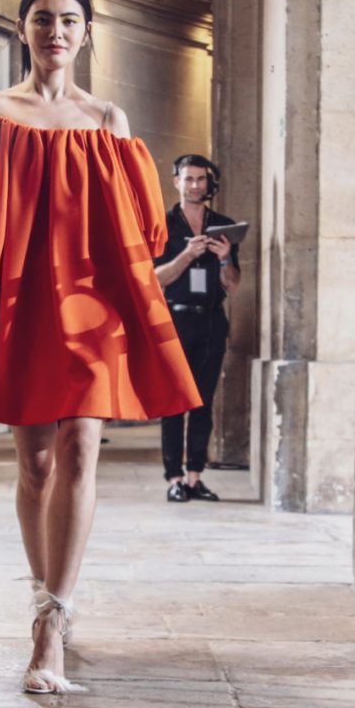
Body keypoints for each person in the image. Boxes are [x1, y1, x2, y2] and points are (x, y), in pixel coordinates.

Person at [0, 0, 201, 694]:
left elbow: (139, 239)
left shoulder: (109, 121)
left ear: (87, 33)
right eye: (43, 19)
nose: (56, 32)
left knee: (80, 448)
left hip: (94, 312)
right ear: (23, 29)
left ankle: (52, 628)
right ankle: (48, 599)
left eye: (70, 20)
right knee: (34, 464)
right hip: (21, 310)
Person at [151, 154, 238, 500]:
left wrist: (225, 257)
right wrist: (187, 255)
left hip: (212, 319)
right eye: (188, 179)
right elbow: (156, 280)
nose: (195, 185)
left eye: (201, 179)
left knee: (203, 400)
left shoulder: (223, 224)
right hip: (174, 317)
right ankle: (173, 479)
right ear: (177, 182)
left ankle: (193, 477)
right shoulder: (163, 225)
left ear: (209, 183)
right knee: (174, 401)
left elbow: (232, 284)